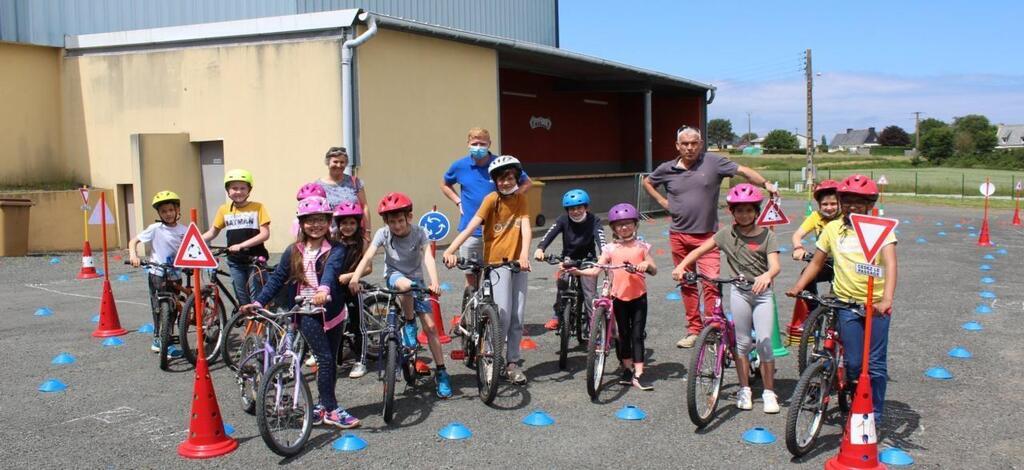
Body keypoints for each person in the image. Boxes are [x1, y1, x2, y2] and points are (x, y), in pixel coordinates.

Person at [642, 126, 777, 348]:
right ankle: (694, 329)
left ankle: (713, 325)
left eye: (694, 143)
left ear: (701, 144)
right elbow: (648, 182)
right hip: (678, 235)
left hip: (707, 237)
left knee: (711, 282)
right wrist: (662, 202)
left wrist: (765, 184)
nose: (689, 147)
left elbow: (743, 170)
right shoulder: (667, 169)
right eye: (684, 144)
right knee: (687, 283)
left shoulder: (713, 163)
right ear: (677, 146)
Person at [786, 174, 898, 422]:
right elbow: (816, 263)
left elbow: (890, 265)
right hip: (846, 303)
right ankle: (851, 393)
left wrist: (886, 299)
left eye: (860, 201)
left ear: (870, 204)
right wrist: (798, 286)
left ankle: (874, 415)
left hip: (875, 305)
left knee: (875, 365)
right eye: (847, 200)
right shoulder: (833, 229)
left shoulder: (881, 230)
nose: (853, 206)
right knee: (855, 363)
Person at [241, 196, 359, 429]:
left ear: (328, 222)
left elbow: (332, 271)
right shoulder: (293, 250)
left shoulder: (336, 249)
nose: (315, 225)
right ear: (302, 223)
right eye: (310, 221)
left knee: (330, 361)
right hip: (306, 311)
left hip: (333, 311)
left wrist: (324, 290)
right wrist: (259, 302)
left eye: (321, 220)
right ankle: (332, 409)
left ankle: (323, 406)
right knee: (324, 359)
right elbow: (277, 279)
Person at [672, 183, 782, 413]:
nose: (744, 214)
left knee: (764, 343)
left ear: (756, 211)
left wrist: (766, 275)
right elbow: (698, 251)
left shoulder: (767, 235)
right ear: (732, 212)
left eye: (749, 210)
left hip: (762, 294)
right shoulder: (725, 234)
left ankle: (770, 393)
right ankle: (745, 389)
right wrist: (682, 265)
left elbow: (775, 266)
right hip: (739, 291)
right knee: (741, 343)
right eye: (739, 210)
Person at [348, 192, 452, 398]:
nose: (397, 226)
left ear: (409, 218)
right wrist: (355, 278)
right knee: (406, 285)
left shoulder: (420, 232)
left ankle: (441, 372)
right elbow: (368, 256)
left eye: (400, 220)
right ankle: (410, 323)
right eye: (392, 222)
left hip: (418, 281)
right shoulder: (383, 234)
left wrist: (434, 282)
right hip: (395, 277)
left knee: (431, 328)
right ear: (386, 222)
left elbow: (429, 258)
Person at [443, 155, 533, 384]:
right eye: (501, 179)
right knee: (501, 315)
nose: (506, 182)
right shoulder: (491, 199)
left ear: (515, 178)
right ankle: (493, 358)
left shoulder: (520, 199)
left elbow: (525, 228)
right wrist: (450, 250)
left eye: (510, 178)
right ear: (495, 180)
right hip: (496, 263)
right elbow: (471, 226)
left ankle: (512, 363)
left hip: (517, 264)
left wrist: (524, 255)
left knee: (517, 317)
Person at [573, 203, 657, 390]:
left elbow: (654, 268)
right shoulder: (609, 249)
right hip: (618, 297)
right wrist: (578, 272)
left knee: (637, 335)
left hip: (638, 297)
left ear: (635, 225)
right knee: (622, 335)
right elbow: (596, 270)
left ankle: (639, 373)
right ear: (613, 228)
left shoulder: (642, 246)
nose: (624, 227)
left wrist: (646, 265)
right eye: (620, 225)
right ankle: (627, 369)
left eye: (628, 223)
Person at [441, 128, 532, 291]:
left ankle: (490, 315)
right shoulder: (459, 166)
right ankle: (470, 314)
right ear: (468, 144)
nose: (478, 147)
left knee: (495, 280)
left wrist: (513, 198)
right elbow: (445, 184)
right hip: (471, 231)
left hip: (499, 233)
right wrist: (458, 201)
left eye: (482, 144)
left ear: (489, 144)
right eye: (474, 143)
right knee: (472, 281)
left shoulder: (501, 165)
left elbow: (526, 182)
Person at [533, 189, 605, 331]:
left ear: (586, 207)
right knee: (562, 284)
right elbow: (550, 234)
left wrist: (604, 254)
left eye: (579, 207)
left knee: (590, 293)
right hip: (569, 258)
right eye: (572, 209)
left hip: (588, 260)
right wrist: (540, 248)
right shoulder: (562, 220)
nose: (576, 211)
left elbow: (600, 238)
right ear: (567, 210)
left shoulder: (594, 220)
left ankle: (593, 325)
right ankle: (557, 316)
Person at [128, 190, 188, 358]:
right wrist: (134, 255)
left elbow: (193, 248)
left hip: (176, 274)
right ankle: (159, 339)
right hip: (157, 272)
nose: (168, 214)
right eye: (163, 211)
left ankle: (165, 337)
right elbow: (134, 241)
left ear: (177, 210)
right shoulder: (155, 228)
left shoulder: (184, 229)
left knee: (173, 308)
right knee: (159, 307)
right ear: (159, 214)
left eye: (170, 210)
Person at [201, 169, 270, 306]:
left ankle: (259, 325)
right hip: (235, 262)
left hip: (255, 260)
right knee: (242, 297)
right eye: (234, 188)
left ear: (249, 190)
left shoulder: (258, 207)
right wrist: (194, 241)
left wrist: (242, 245)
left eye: (242, 188)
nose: (238, 192)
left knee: (257, 297)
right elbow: (213, 232)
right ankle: (247, 324)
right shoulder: (224, 209)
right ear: (228, 190)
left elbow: (265, 234)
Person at [332, 201, 373, 378]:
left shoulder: (363, 241)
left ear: (358, 224)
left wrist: (350, 277)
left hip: (352, 287)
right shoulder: (333, 241)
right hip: (335, 287)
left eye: (352, 223)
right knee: (334, 323)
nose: (347, 227)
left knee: (358, 325)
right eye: (344, 223)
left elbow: (368, 268)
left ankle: (360, 360)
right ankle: (334, 357)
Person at [791, 179, 841, 311]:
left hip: (842, 264)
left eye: (833, 204)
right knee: (806, 277)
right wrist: (798, 248)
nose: (829, 208)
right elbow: (797, 235)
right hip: (823, 261)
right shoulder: (816, 216)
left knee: (837, 298)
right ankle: (814, 312)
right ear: (819, 204)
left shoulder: (844, 218)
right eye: (825, 204)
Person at [318, 146, 371, 238]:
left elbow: (364, 206)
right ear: (328, 162)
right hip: (331, 236)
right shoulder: (319, 186)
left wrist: (367, 231)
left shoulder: (355, 182)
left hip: (355, 235)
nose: (339, 165)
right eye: (335, 162)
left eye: (342, 162)